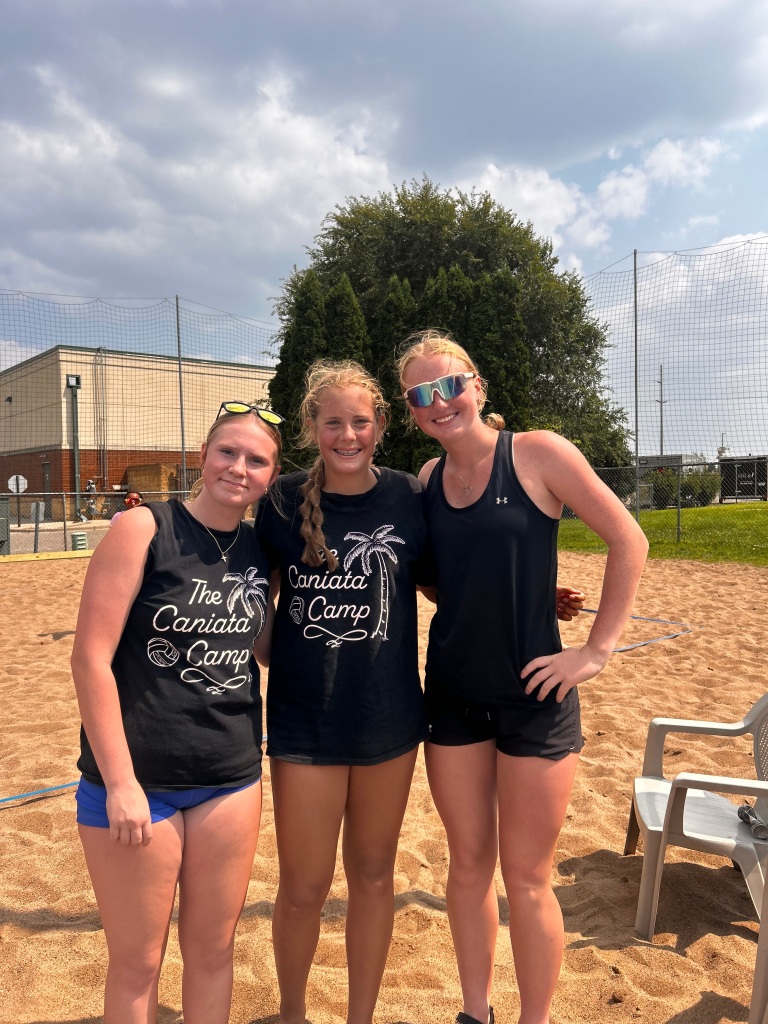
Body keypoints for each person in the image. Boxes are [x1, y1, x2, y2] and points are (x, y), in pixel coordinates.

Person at [398, 330, 648, 1024]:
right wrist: (523, 589)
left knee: (529, 876)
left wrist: (595, 651)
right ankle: (475, 1012)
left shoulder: (537, 453)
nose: (439, 401)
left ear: (477, 386)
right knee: (467, 864)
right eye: (421, 393)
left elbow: (629, 539)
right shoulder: (427, 479)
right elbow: (440, 581)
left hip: (537, 695)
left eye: (451, 384)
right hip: (453, 693)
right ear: (412, 410)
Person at [71, 401, 282, 1024]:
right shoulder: (144, 528)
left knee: (213, 952)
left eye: (256, 460)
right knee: (139, 962)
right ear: (203, 456)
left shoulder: (257, 551)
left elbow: (264, 648)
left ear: (271, 476)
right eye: (228, 452)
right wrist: (120, 783)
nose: (238, 468)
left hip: (229, 775)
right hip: (140, 781)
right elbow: (90, 660)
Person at [256, 361, 431, 1024]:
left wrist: (533, 597)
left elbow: (447, 584)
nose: (348, 434)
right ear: (312, 427)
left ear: (381, 425)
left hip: (388, 718)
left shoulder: (409, 496)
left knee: (374, 877)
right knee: (303, 888)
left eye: (360, 421)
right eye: (333, 422)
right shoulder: (281, 500)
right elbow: (252, 597)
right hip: (305, 723)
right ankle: (293, 1014)